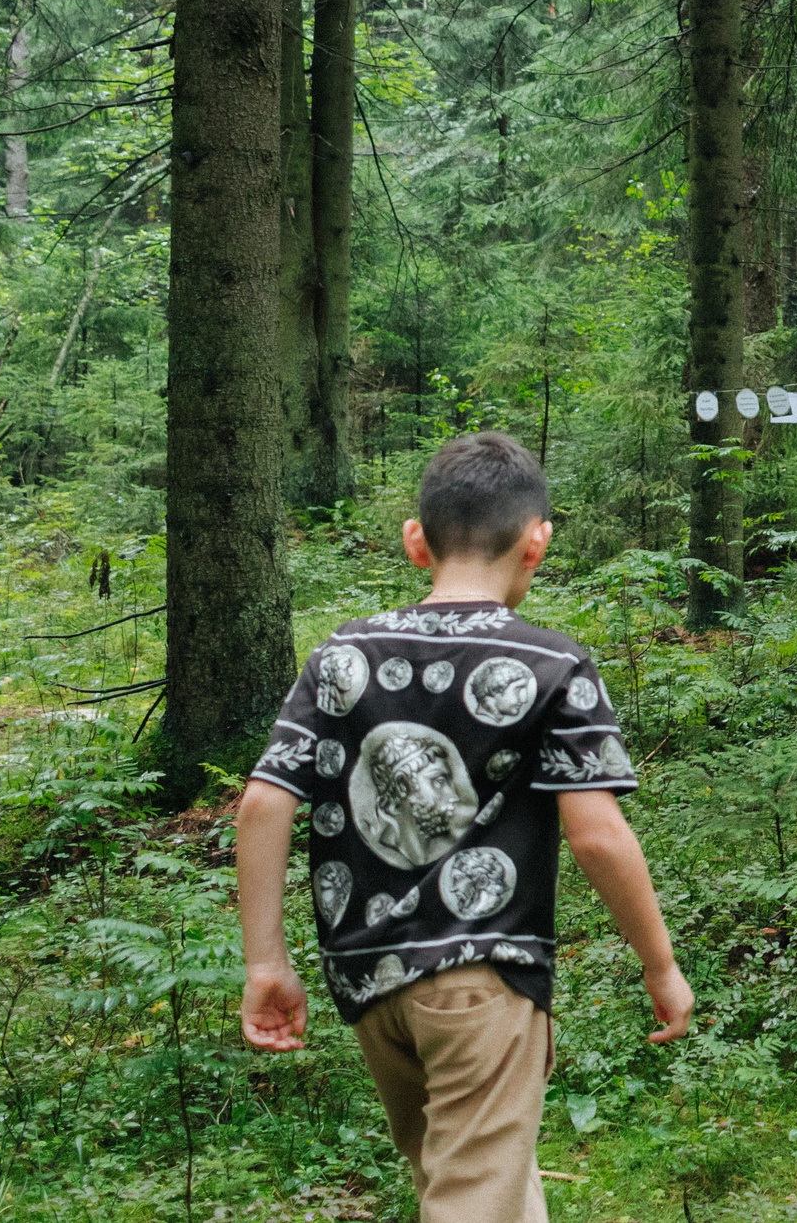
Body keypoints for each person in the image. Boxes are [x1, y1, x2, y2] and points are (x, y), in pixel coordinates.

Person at [238, 431, 693, 1223]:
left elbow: (263, 803)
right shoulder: (552, 664)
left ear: (417, 541)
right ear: (537, 541)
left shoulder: (341, 655)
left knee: (476, 1182)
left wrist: (265, 961)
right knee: (472, 1196)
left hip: (369, 979)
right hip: (483, 977)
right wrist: (659, 963)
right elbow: (596, 834)